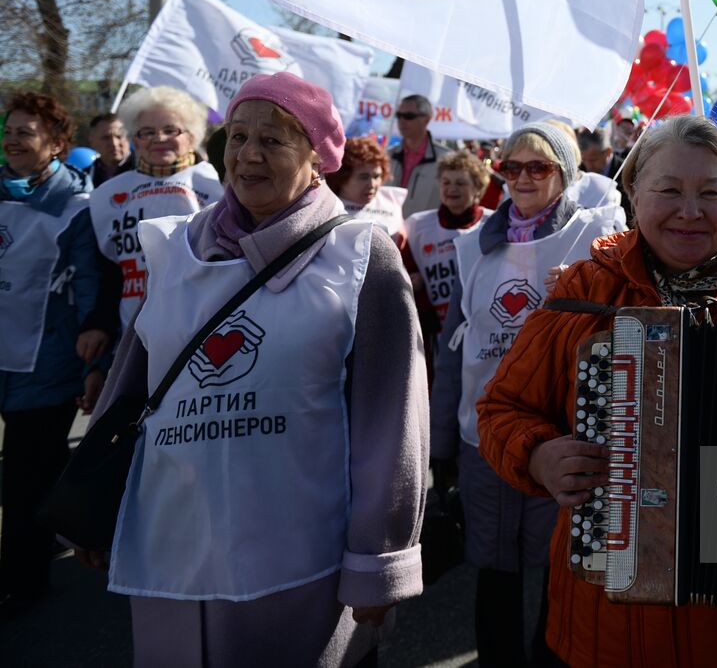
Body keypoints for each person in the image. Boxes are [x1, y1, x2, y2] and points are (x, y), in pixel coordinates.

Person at [82, 72, 428, 665]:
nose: (248, 154)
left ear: (318, 156)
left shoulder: (359, 255)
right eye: (238, 136)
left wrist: (380, 560)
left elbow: (390, 423)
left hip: (298, 569)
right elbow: (130, 386)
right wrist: (90, 500)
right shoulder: (176, 249)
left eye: (273, 140)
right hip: (171, 552)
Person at [475, 115, 717, 667]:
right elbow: (503, 409)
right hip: (606, 626)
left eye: (712, 192)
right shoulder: (584, 292)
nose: (689, 211)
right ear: (634, 190)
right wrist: (540, 455)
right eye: (668, 189)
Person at [431, 123, 624, 667]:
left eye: (538, 167)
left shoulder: (595, 235)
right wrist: (441, 441)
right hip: (485, 436)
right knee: (493, 567)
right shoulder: (474, 245)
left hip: (563, 434)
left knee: (558, 567)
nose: (522, 178)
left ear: (564, 174)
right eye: (511, 168)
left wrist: (596, 284)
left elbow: (630, 316)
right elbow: (453, 348)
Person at [0, 92, 112, 618]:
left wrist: (93, 360)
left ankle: (24, 585)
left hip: (47, 368)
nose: (13, 139)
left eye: (26, 132)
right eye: (9, 130)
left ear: (57, 146)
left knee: (26, 481)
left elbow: (91, 288)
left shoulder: (78, 208)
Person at [90, 86, 222, 329]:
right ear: (135, 141)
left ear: (192, 136)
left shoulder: (218, 184)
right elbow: (107, 269)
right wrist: (98, 325)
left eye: (170, 130)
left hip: (201, 322)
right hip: (131, 326)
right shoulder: (106, 194)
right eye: (147, 132)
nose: (159, 139)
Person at [402, 149, 493, 365]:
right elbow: (405, 267)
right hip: (435, 335)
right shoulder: (417, 225)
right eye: (446, 182)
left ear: (477, 188)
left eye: (461, 183)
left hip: (483, 331)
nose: (452, 189)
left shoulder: (494, 223)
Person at [329, 136, 408, 244]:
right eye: (363, 177)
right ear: (342, 178)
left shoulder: (390, 201)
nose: (372, 184)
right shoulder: (327, 205)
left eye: (377, 176)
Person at [390, 94, 453, 217]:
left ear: (427, 119)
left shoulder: (447, 159)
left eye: (409, 116)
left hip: (427, 233)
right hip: (389, 230)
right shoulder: (387, 155)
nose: (401, 121)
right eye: (399, 115)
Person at [87, 113, 133, 187]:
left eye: (119, 136)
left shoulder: (146, 172)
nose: (114, 143)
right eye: (106, 138)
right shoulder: (83, 178)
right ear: (92, 141)